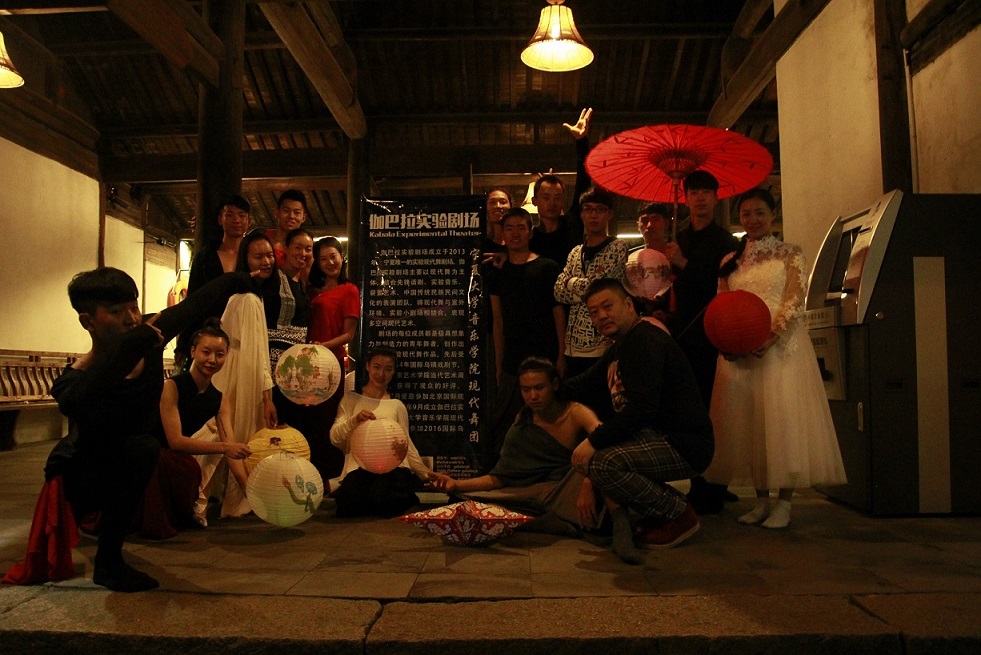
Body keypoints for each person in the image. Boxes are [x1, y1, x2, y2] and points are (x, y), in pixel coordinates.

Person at [45, 266, 250, 591]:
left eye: (134, 307)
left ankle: (109, 561)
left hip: (131, 457)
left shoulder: (150, 335)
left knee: (143, 447)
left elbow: (194, 305)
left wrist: (239, 279)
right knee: (140, 448)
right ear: (88, 321)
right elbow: (75, 402)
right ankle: (106, 556)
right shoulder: (77, 377)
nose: (131, 318)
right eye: (117, 311)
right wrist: (126, 349)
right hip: (83, 469)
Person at [703, 189, 846, 528]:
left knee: (782, 424)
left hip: (779, 349)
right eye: (746, 213)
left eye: (760, 212)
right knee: (750, 425)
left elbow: (795, 300)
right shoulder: (729, 260)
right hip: (741, 351)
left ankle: (784, 503)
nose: (753, 219)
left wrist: (770, 337)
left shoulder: (790, 252)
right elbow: (722, 304)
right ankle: (761, 500)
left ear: (772, 215)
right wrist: (728, 341)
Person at [567, 279, 713, 561]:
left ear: (628, 304)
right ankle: (655, 514)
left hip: (682, 442)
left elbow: (641, 410)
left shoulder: (644, 340)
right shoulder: (620, 346)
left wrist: (593, 441)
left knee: (604, 463)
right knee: (604, 456)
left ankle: (678, 514)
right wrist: (545, 388)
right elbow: (584, 383)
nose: (601, 316)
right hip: (655, 436)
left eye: (607, 306)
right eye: (594, 312)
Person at [428, 357, 603, 536]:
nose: (533, 396)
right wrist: (455, 484)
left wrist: (588, 481)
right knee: (464, 501)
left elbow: (606, 441)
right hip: (533, 491)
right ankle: (541, 519)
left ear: (555, 385)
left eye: (539, 388)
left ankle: (545, 520)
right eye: (526, 390)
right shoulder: (523, 421)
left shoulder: (576, 413)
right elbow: (499, 478)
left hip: (569, 486)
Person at [663, 170, 740, 515]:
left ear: (715, 198)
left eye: (706, 192)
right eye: (694, 192)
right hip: (682, 335)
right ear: (686, 197)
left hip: (714, 334)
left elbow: (722, 286)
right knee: (691, 410)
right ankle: (698, 481)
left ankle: (717, 483)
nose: (700, 198)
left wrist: (683, 263)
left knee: (717, 409)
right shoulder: (677, 238)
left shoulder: (727, 242)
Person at [152, 319, 252, 533]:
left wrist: (249, 493)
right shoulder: (172, 386)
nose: (212, 360)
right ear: (193, 351)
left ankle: (192, 508)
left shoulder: (219, 399)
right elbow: (175, 441)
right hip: (153, 450)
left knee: (210, 448)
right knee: (203, 455)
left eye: (219, 354)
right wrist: (226, 448)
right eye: (206, 352)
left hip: (176, 455)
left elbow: (231, 448)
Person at [485, 208, 566, 460]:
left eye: (521, 227)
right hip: (512, 359)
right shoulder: (497, 271)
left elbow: (558, 313)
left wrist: (561, 354)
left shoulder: (548, 267)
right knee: (506, 421)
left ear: (531, 232)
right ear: (502, 233)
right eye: (509, 228)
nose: (515, 233)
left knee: (549, 418)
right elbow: (497, 320)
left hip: (545, 355)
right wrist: (499, 364)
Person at [213, 232, 280, 517]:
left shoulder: (242, 295)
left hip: (234, 369)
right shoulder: (250, 299)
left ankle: (225, 493)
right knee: (243, 433)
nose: (266, 261)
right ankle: (241, 496)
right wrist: (267, 398)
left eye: (270, 255)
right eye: (258, 256)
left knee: (228, 431)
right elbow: (258, 351)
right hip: (245, 372)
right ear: (246, 260)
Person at [329, 346, 430, 517]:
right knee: (348, 502)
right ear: (367, 366)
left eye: (388, 369)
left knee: (383, 496)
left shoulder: (396, 405)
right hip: (360, 468)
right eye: (377, 367)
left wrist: (426, 474)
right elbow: (334, 437)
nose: (381, 374)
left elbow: (406, 446)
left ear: (393, 372)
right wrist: (354, 421)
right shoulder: (351, 399)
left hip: (393, 470)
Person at [553, 186, 628, 378]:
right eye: (588, 209)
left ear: (609, 214)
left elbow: (598, 290)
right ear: (581, 214)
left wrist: (571, 282)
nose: (593, 215)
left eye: (600, 209)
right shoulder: (575, 252)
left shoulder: (617, 248)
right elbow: (558, 292)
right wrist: (584, 288)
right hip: (572, 347)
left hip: (603, 345)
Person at [306, 236, 360, 478]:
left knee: (326, 419)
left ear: (342, 257)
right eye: (323, 259)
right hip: (305, 363)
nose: (330, 262)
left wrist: (322, 347)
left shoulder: (349, 290)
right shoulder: (310, 290)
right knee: (308, 419)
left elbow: (349, 334)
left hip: (330, 363)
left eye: (333, 256)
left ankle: (328, 476)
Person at [529, 108, 593, 267]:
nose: (552, 203)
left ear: (563, 200)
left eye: (557, 197)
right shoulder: (530, 237)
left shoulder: (573, 222)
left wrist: (581, 141)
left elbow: (584, 182)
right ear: (535, 201)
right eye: (546, 197)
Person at [266, 189, 310, 272]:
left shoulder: (307, 248)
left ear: (303, 218)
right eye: (286, 211)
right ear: (277, 213)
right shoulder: (263, 238)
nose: (291, 216)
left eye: (296, 212)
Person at [483, 188, 513, 254]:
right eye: (492, 202)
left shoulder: (520, 241)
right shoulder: (481, 243)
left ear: (510, 206)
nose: (498, 206)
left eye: (503, 202)